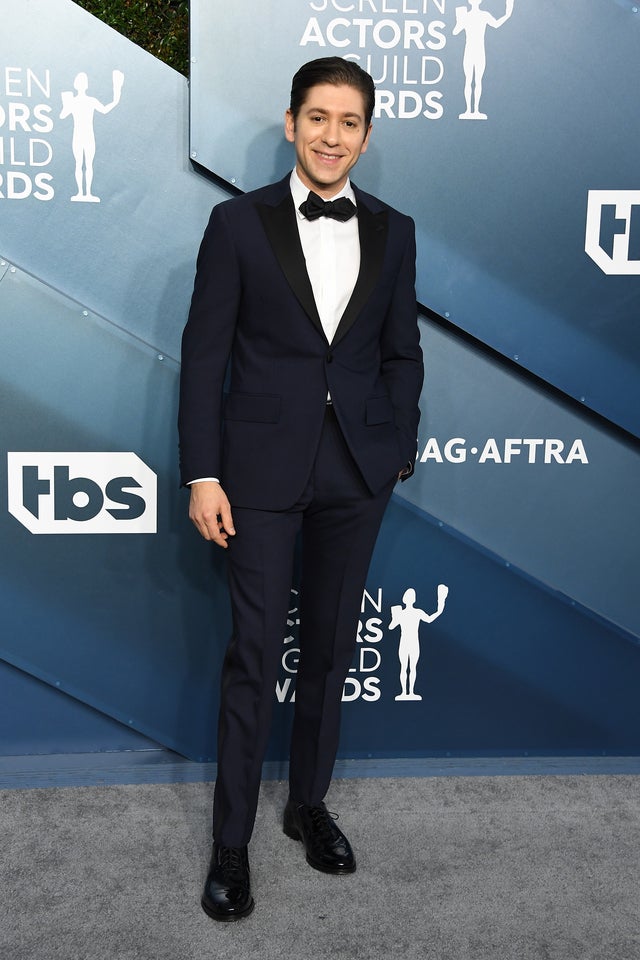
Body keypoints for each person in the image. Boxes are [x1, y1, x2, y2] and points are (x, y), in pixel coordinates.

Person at [178, 56, 424, 921]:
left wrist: (396, 447)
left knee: (326, 648)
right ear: (291, 125)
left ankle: (309, 805)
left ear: (366, 133)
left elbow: (401, 351)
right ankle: (231, 843)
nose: (331, 136)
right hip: (256, 477)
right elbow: (205, 357)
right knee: (254, 659)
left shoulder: (395, 231)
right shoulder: (237, 224)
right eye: (317, 118)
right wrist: (204, 473)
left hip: (356, 473)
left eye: (349, 121)